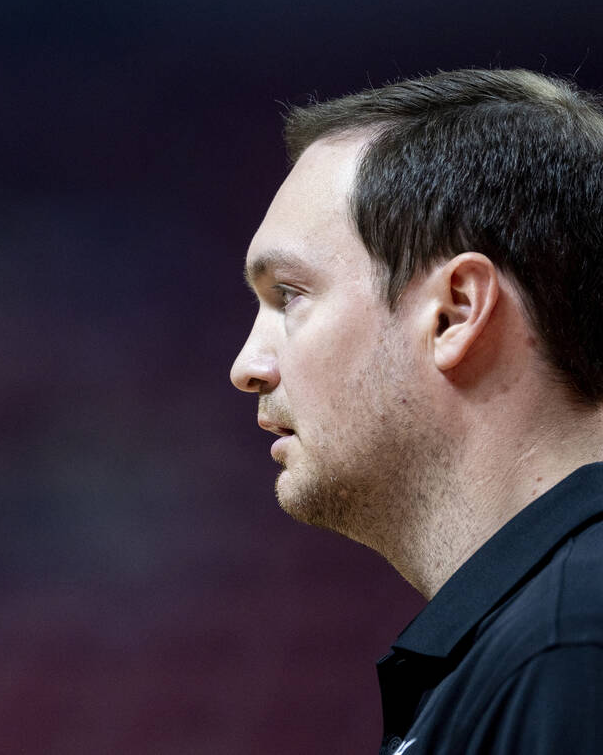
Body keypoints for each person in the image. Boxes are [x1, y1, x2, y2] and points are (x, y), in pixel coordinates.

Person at [229, 68, 603, 754]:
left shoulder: (569, 651)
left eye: (288, 294)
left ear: (455, 311)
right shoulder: (538, 639)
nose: (247, 367)